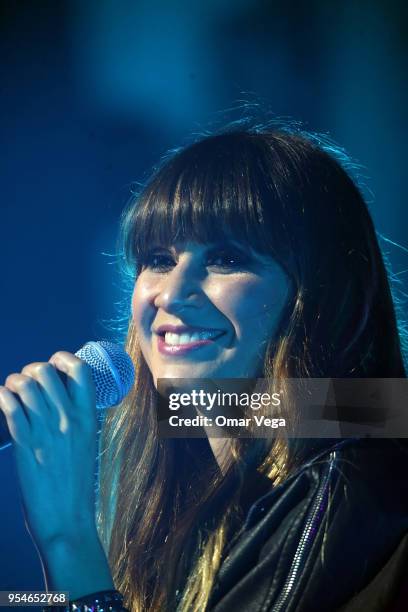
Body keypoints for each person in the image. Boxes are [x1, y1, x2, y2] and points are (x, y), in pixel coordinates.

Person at [0, 124, 407, 612]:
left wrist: (69, 544)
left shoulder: (345, 485)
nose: (171, 294)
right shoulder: (191, 481)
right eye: (158, 259)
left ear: (318, 294)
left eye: (226, 258)